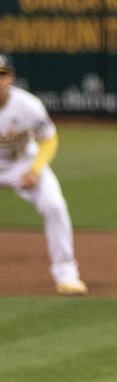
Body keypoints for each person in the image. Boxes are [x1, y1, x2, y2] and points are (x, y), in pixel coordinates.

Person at [0, 53, 87, 295]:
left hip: (23, 163)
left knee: (55, 206)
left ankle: (67, 275)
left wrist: (35, 170)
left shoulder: (28, 106)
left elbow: (48, 140)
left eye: (2, 75)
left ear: (11, 79)